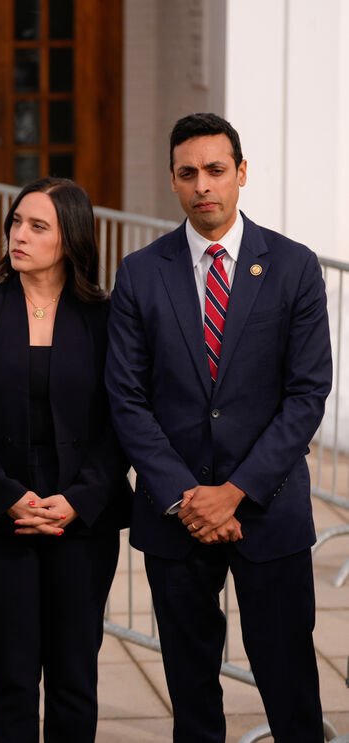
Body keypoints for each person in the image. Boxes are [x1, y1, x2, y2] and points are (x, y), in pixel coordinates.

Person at [106, 113, 331, 742]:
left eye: (215, 170)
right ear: (172, 183)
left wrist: (234, 492)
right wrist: (186, 497)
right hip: (176, 515)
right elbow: (126, 396)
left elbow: (307, 392)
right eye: (189, 173)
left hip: (268, 509)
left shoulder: (292, 266)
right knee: (190, 685)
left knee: (289, 684)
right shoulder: (140, 273)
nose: (203, 184)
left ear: (241, 173)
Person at [0, 177, 129, 742]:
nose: (19, 235)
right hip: (1, 517)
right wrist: (8, 496)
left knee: (75, 675)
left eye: (37, 226)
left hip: (82, 519)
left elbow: (124, 418)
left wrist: (79, 499)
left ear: (69, 239)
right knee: (11, 675)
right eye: (16, 222)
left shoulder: (107, 317)